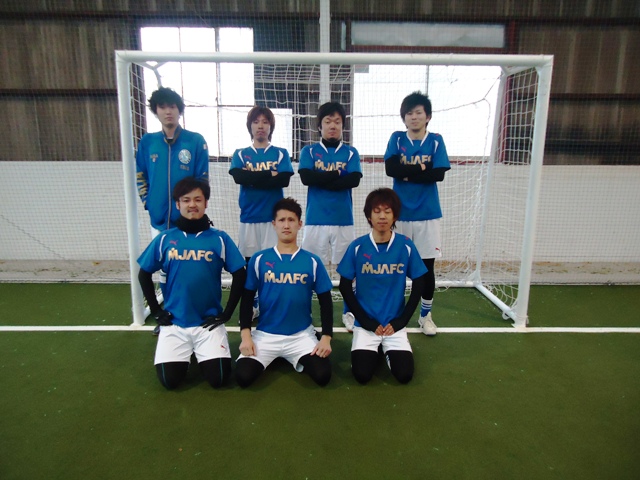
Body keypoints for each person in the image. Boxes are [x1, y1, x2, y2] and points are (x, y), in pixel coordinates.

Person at [137, 177, 246, 390]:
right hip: (175, 323)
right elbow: (144, 274)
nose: (192, 204)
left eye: (198, 199)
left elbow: (240, 274)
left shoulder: (219, 238)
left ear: (206, 203)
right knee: (170, 382)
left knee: (219, 379)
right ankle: (187, 352)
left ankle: (203, 351)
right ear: (178, 204)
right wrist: (157, 311)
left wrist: (227, 313)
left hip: (208, 323)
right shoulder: (165, 238)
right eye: (186, 200)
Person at [235, 197, 334, 388]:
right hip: (266, 335)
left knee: (323, 376)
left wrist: (326, 337)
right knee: (243, 377)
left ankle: (296, 349)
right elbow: (247, 299)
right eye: (281, 220)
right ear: (274, 224)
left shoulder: (312, 261)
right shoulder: (259, 259)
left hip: (300, 336)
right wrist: (246, 336)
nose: (286, 225)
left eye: (291, 220)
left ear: (300, 224)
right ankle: (273, 355)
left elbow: (326, 302)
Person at [135, 87, 210, 334]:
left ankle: (192, 313)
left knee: (187, 268)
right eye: (163, 107)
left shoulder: (195, 141)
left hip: (187, 221)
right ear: (156, 111)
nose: (168, 111)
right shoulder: (147, 143)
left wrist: (197, 210)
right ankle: (167, 315)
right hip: (159, 221)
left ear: (179, 110)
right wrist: (148, 202)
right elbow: (140, 175)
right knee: (164, 269)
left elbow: (202, 179)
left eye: (172, 107)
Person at [338, 188, 427, 384]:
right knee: (362, 375)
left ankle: (386, 351)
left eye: (387, 211)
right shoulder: (357, 246)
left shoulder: (405, 245)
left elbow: (420, 282)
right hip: (366, 325)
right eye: (377, 211)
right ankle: (373, 350)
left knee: (404, 375)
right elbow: (344, 286)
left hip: (394, 325)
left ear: (395, 216)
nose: (382, 216)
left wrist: (402, 321)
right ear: (369, 216)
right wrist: (365, 321)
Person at [384, 91, 450, 336]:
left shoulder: (436, 141)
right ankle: (395, 315)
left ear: (427, 116)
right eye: (409, 113)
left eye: (418, 112)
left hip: (428, 214)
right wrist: (423, 167)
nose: (413, 117)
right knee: (396, 266)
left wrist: (407, 172)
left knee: (426, 268)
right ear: (404, 117)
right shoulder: (397, 139)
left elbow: (438, 174)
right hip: (400, 215)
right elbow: (391, 169)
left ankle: (425, 316)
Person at [298, 101, 362, 330]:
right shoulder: (308, 151)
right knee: (309, 268)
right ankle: (304, 314)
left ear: (343, 125)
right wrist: (337, 174)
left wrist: (322, 177)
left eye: (337, 121)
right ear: (320, 126)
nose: (333, 126)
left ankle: (349, 312)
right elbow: (306, 178)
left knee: (348, 270)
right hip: (315, 220)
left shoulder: (351, 152)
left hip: (343, 221)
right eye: (328, 121)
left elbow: (353, 180)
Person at [229, 106, 294, 319]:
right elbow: (239, 177)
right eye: (256, 122)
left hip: (273, 219)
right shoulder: (240, 154)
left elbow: (283, 180)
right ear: (250, 126)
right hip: (249, 218)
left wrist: (253, 177)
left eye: (265, 122)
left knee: (273, 262)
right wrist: (270, 174)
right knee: (250, 263)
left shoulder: (280, 153)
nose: (260, 126)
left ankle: (272, 301)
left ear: (271, 127)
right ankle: (254, 302)